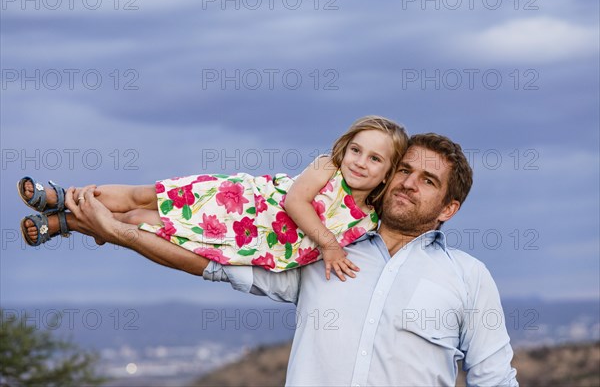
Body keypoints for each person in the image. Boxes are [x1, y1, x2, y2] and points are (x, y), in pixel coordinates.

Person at [63, 132, 519, 386]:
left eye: (428, 180)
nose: (408, 183)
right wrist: (113, 231)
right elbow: (213, 262)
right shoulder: (320, 251)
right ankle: (65, 210)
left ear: (448, 208)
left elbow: (494, 380)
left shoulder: (468, 278)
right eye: (403, 170)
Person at [18, 116, 407, 280]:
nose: (360, 162)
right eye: (356, 149)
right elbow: (295, 203)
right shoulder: (329, 168)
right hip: (236, 202)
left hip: (243, 241)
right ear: (345, 147)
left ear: (387, 173)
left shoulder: (369, 220)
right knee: (144, 196)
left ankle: (65, 221)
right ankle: (63, 194)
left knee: (137, 222)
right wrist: (328, 245)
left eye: (374, 159)